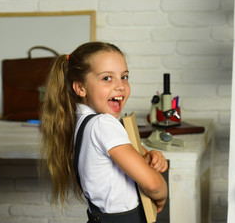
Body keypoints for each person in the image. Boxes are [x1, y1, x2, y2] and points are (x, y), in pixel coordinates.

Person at [40, 41, 168, 222]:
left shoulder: (84, 122)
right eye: (107, 78)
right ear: (80, 88)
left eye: (124, 77)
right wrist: (161, 194)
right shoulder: (104, 124)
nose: (120, 86)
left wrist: (150, 156)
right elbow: (154, 185)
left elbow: (136, 158)